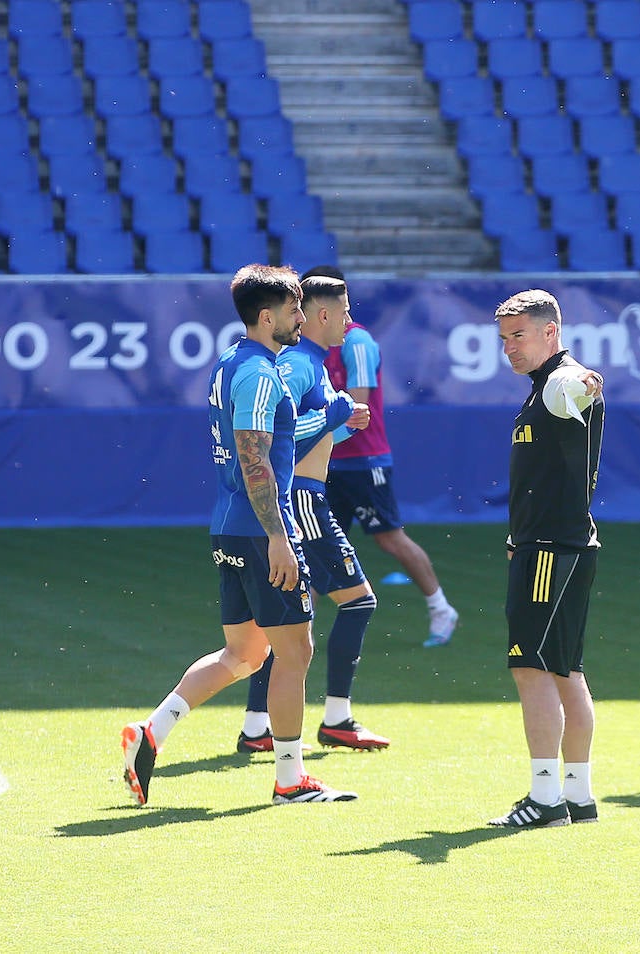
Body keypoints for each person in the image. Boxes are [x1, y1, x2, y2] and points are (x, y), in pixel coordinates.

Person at [121, 265, 356, 806]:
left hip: (229, 524)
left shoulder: (234, 361)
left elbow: (259, 446)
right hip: (259, 528)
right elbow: (255, 456)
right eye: (297, 309)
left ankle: (151, 731)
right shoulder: (260, 373)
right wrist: (279, 535)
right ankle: (291, 780)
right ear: (268, 316)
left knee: (245, 654)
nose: (303, 318)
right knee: (294, 650)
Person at [236, 273, 391, 755]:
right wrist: (333, 416)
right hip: (302, 499)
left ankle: (259, 722)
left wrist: (342, 425)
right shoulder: (301, 363)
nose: (349, 321)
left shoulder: (313, 363)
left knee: (286, 623)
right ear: (325, 315)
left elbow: (308, 435)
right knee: (350, 605)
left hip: (307, 493)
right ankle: (333, 718)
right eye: (344, 312)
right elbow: (281, 435)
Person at [487, 289, 605, 828]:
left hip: (549, 553)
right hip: (565, 547)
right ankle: (578, 796)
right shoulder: (540, 388)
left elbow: (573, 387)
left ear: (550, 333)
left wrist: (578, 381)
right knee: (565, 671)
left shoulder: (560, 382)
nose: (509, 347)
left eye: (520, 336)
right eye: (504, 337)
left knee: (529, 667)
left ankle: (544, 798)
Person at [306, 265, 460, 648]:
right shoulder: (313, 349)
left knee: (390, 540)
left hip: (364, 460)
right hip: (328, 461)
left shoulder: (357, 343)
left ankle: (441, 607)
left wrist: (308, 441)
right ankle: (296, 626)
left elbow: (358, 411)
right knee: (313, 545)